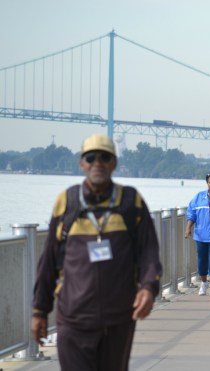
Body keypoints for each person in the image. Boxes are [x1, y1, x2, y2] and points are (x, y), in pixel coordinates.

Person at [32, 134, 162, 371]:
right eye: (90, 158)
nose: (97, 163)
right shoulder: (67, 202)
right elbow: (49, 260)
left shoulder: (130, 202)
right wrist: (39, 310)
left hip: (118, 319)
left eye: (105, 157)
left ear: (114, 163)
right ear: (82, 163)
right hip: (73, 318)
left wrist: (148, 287)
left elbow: (149, 252)